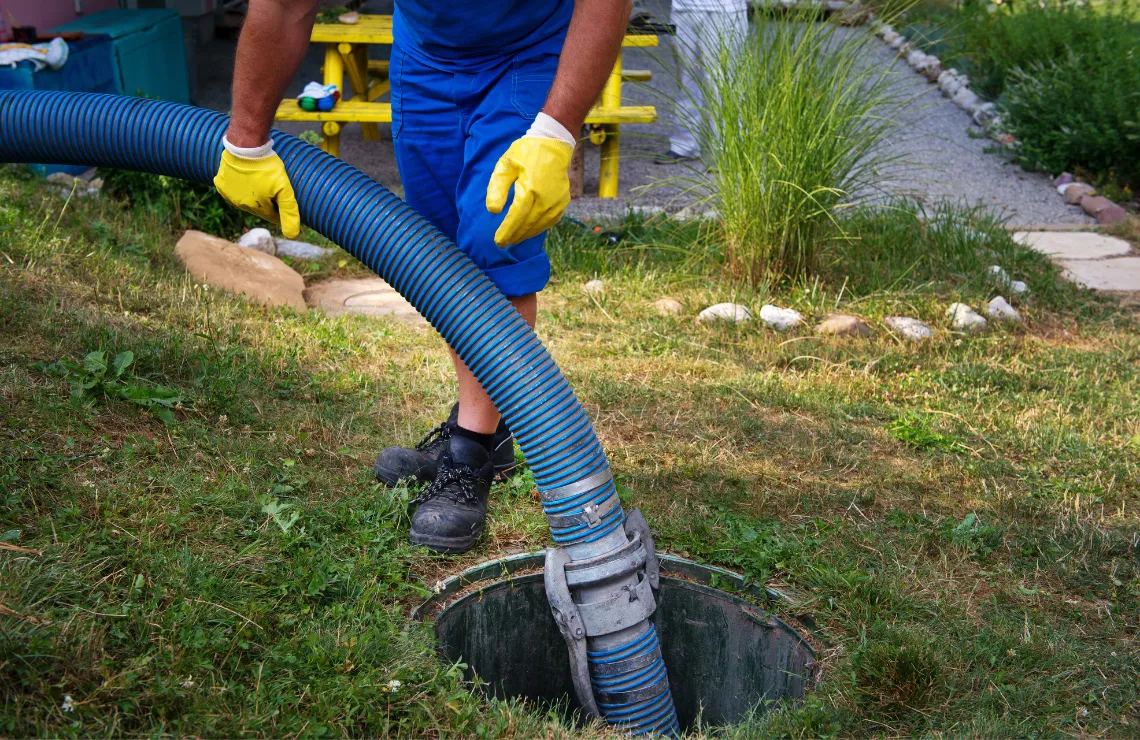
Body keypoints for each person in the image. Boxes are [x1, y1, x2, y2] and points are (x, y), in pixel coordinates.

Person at [213, 0, 631, 555]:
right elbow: (286, 5)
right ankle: (481, 426)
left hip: (530, 47)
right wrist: (245, 138)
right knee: (439, 253)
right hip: (427, 53)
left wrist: (555, 133)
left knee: (493, 236)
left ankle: (472, 452)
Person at [654, 0, 748, 164]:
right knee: (685, 80)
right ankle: (684, 145)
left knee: (723, 83)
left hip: (726, 9)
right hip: (683, 8)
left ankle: (727, 150)